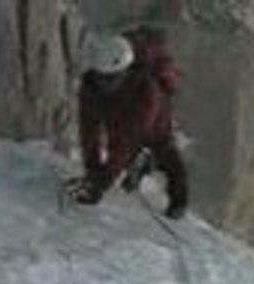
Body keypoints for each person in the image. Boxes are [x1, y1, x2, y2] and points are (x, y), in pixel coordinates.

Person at [70, 31, 189, 219]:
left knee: (169, 160)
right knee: (133, 157)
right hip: (120, 117)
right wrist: (93, 171)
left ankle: (178, 203)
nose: (104, 84)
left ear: (125, 70)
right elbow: (89, 132)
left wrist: (102, 181)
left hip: (155, 123)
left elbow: (125, 140)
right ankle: (140, 166)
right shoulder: (91, 87)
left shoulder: (146, 90)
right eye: (101, 77)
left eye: (110, 78)